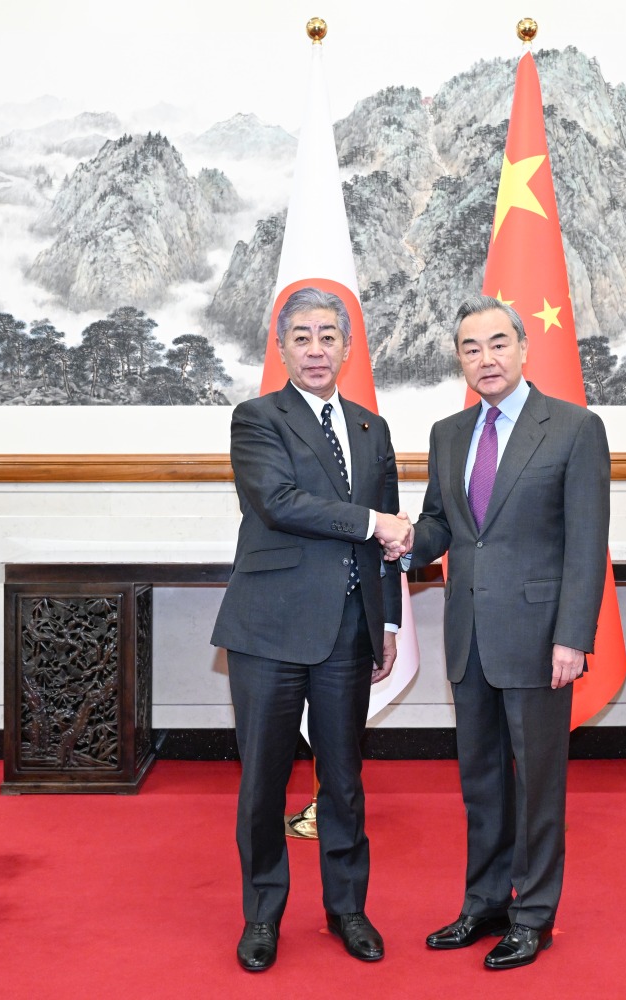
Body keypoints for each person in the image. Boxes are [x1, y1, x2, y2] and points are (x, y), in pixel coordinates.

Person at [211, 286, 413, 972]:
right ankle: (262, 915)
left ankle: (347, 908)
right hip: (268, 630)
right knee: (264, 782)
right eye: (303, 337)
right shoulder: (257, 418)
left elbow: (388, 537)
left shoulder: (370, 428)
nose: (317, 349)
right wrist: (370, 523)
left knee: (345, 781)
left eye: (329, 336)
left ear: (349, 348)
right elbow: (279, 501)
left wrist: (387, 621)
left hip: (348, 635)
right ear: (282, 347)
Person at [407, 294, 610, 970]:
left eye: (497, 343)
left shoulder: (575, 429)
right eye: (470, 348)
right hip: (468, 635)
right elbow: (441, 525)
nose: (485, 358)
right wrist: (398, 541)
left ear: (523, 348)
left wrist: (572, 636)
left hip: (539, 636)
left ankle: (533, 914)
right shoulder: (448, 434)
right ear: (460, 359)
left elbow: (587, 543)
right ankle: (486, 903)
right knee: (482, 780)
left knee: (539, 782)